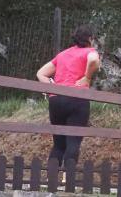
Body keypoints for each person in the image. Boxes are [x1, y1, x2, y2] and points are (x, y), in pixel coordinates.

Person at [36, 24, 100, 167]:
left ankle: (50, 179)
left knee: (58, 143)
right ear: (90, 38)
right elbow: (94, 60)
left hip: (56, 100)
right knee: (73, 141)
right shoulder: (89, 51)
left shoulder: (63, 54)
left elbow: (40, 73)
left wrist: (51, 86)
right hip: (77, 99)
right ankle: (67, 179)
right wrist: (87, 77)